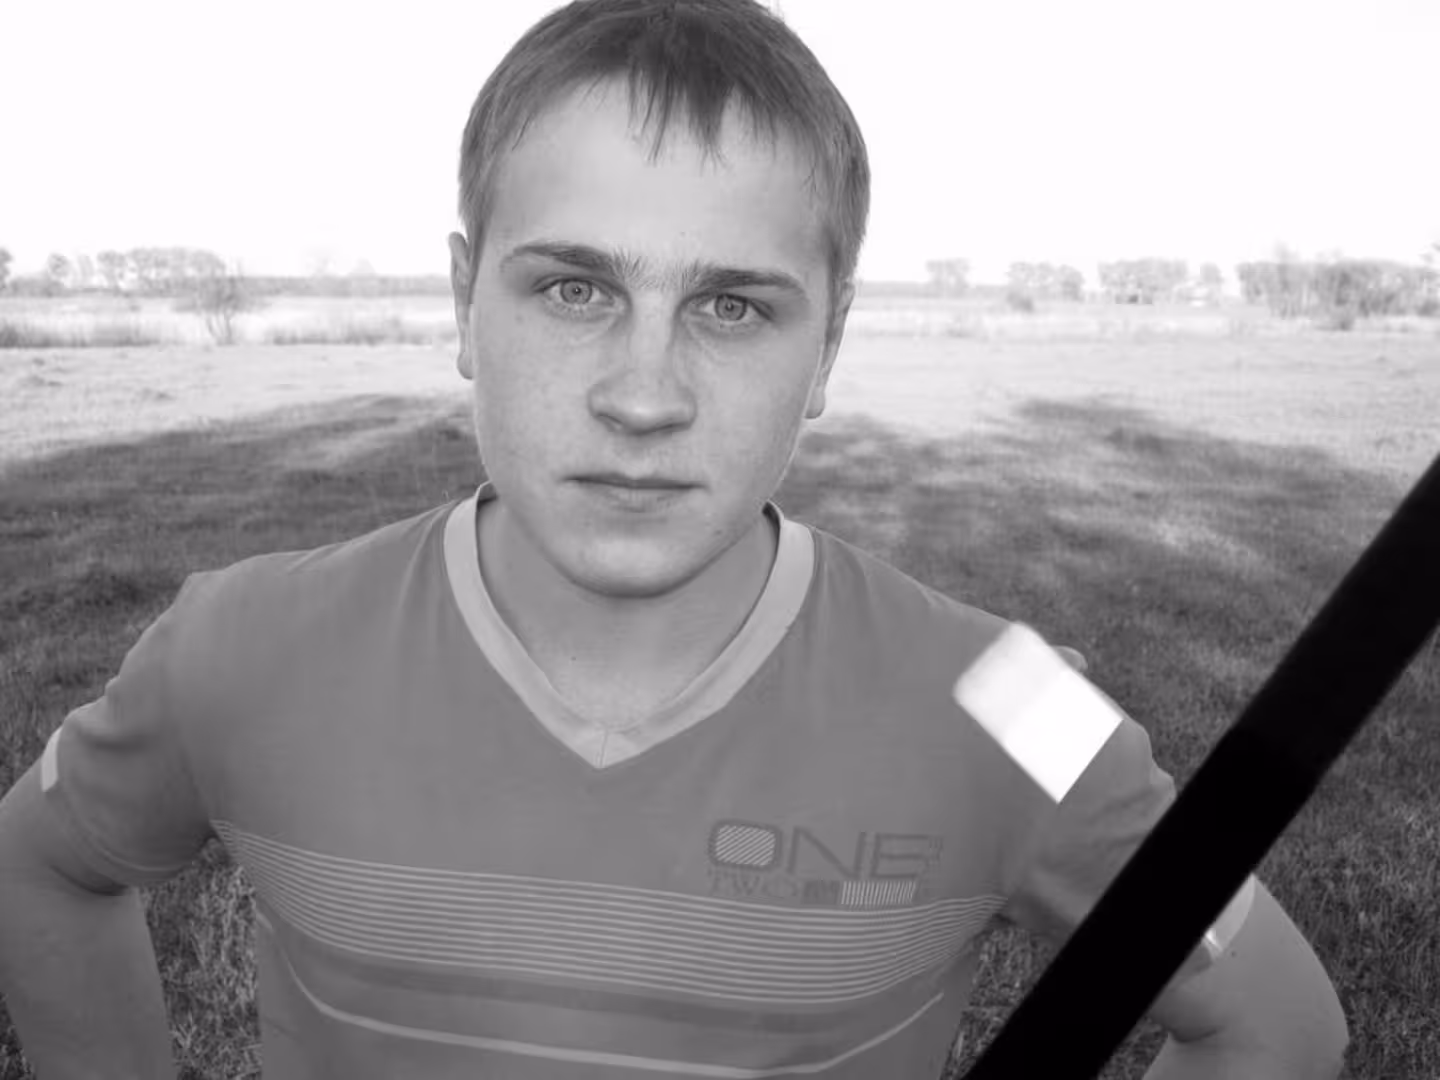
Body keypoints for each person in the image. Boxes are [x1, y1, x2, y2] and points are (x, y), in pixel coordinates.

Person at [0, 1, 1349, 1077]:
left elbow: (1279, 1023)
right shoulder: (240, 643)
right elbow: (40, 864)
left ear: (830, 344)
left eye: (732, 307)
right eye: (574, 288)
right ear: (466, 302)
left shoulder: (1014, 699)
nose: (643, 396)